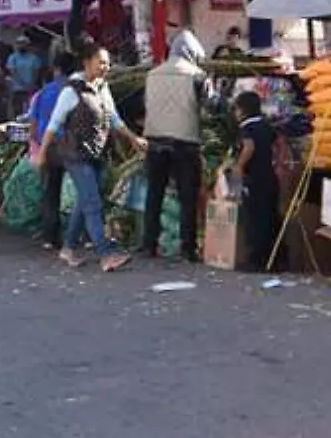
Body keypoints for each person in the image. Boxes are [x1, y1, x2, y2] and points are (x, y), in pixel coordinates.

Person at [35, 38, 146, 272]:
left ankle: (68, 247)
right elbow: (53, 126)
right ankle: (106, 253)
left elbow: (114, 119)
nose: (105, 67)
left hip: (96, 152)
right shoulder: (71, 91)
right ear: (86, 63)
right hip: (75, 155)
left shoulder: (103, 89)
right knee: (93, 203)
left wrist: (134, 139)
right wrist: (42, 154)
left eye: (107, 63)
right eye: (101, 62)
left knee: (85, 202)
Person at [141, 31, 209, 261]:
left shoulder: (152, 74)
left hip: (155, 142)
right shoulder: (197, 76)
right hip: (185, 144)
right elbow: (210, 105)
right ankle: (188, 248)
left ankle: (148, 244)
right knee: (187, 197)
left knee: (154, 194)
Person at [225, 90, 280, 271]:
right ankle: (273, 259)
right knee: (270, 218)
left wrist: (239, 165)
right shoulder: (266, 126)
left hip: (255, 179)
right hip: (270, 178)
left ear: (242, 110)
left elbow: (249, 147)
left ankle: (256, 260)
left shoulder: (247, 128)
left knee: (255, 220)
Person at [27, 52, 75, 249]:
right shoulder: (76, 90)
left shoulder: (44, 91)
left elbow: (33, 122)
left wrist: (35, 143)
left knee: (51, 190)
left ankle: (50, 236)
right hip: (70, 145)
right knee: (82, 189)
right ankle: (77, 236)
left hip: (48, 145)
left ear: (56, 69)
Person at [7, 39, 45, 111]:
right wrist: (22, 83)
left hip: (31, 89)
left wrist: (31, 84)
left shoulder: (34, 58)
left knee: (31, 110)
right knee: (17, 111)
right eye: (19, 43)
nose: (21, 45)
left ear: (27, 45)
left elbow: (36, 73)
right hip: (17, 89)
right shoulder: (12, 58)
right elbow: (12, 72)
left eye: (23, 43)